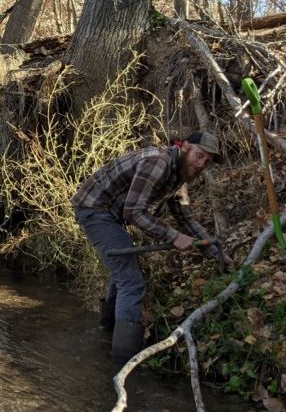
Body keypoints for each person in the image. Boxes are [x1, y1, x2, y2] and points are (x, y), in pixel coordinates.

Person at [71, 132, 234, 363]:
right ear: (185, 146)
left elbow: (186, 219)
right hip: (95, 209)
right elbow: (134, 212)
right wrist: (173, 236)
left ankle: (107, 335)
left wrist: (216, 253)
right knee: (132, 282)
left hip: (110, 214)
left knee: (123, 274)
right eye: (199, 156)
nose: (201, 164)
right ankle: (124, 359)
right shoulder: (159, 162)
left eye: (207, 161)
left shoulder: (179, 177)